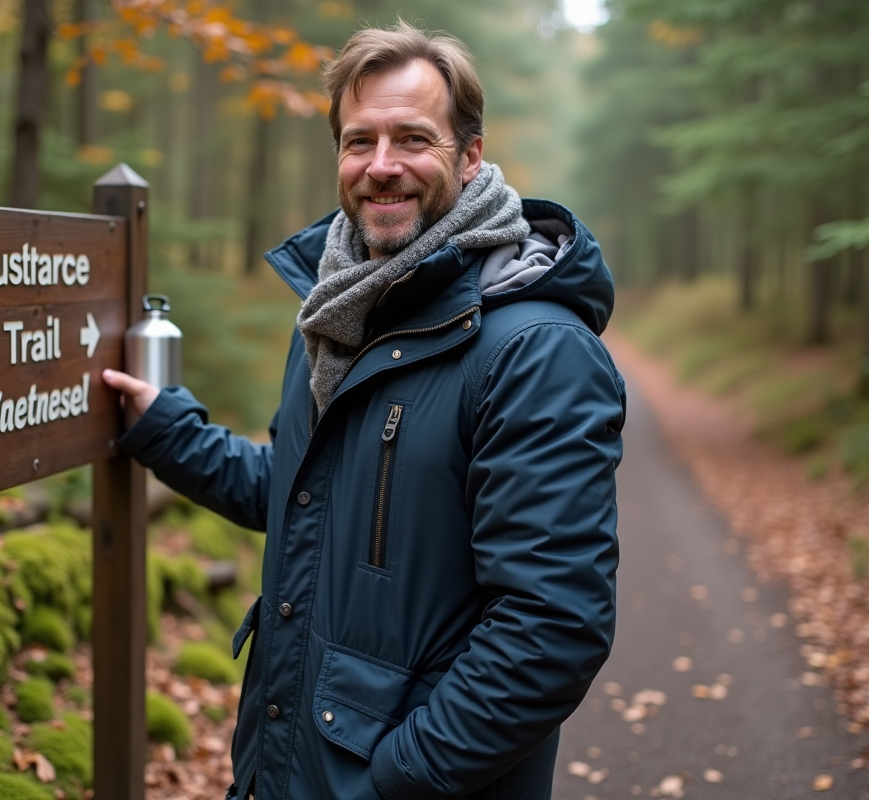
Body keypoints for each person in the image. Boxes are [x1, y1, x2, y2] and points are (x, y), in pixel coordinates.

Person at [102, 20, 625, 800]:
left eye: (413, 138)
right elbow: (300, 493)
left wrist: (391, 782)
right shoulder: (339, 312)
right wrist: (164, 425)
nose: (382, 167)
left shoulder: (536, 349)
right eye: (359, 141)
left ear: (470, 154)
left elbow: (552, 628)